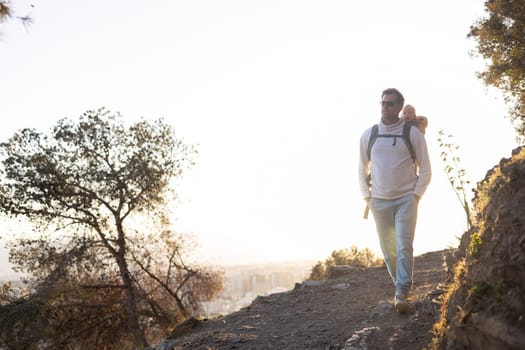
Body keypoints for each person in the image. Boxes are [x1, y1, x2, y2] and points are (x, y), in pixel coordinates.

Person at [358, 88, 432, 313]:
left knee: (403, 246)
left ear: (400, 106)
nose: (385, 107)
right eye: (383, 103)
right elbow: (361, 168)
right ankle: (399, 283)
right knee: (388, 249)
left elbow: (426, 169)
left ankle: (402, 291)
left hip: (405, 200)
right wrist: (368, 197)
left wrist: (416, 195)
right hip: (378, 202)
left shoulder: (413, 134)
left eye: (390, 104)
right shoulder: (369, 135)